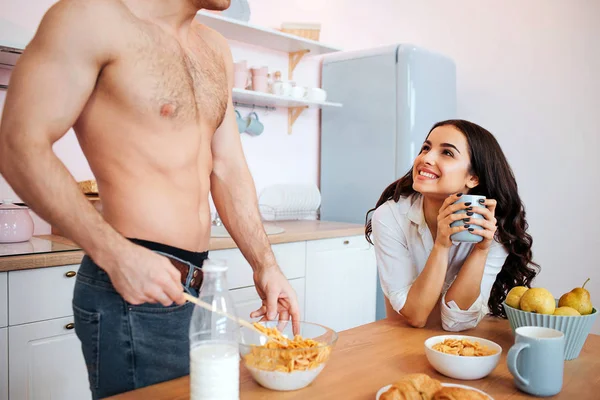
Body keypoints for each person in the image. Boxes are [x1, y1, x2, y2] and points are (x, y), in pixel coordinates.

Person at [0, 0, 300, 397]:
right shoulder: (91, 18)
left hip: (198, 287)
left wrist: (266, 264)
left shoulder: (215, 48)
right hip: (130, 291)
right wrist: (115, 254)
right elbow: (18, 144)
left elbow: (226, 167)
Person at [365, 119, 539, 331]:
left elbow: (457, 322)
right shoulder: (391, 216)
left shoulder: (492, 227)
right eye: (425, 148)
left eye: (447, 153)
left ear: (473, 178)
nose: (426, 158)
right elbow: (416, 315)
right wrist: (442, 246)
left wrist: (481, 251)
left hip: (457, 346)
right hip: (400, 341)